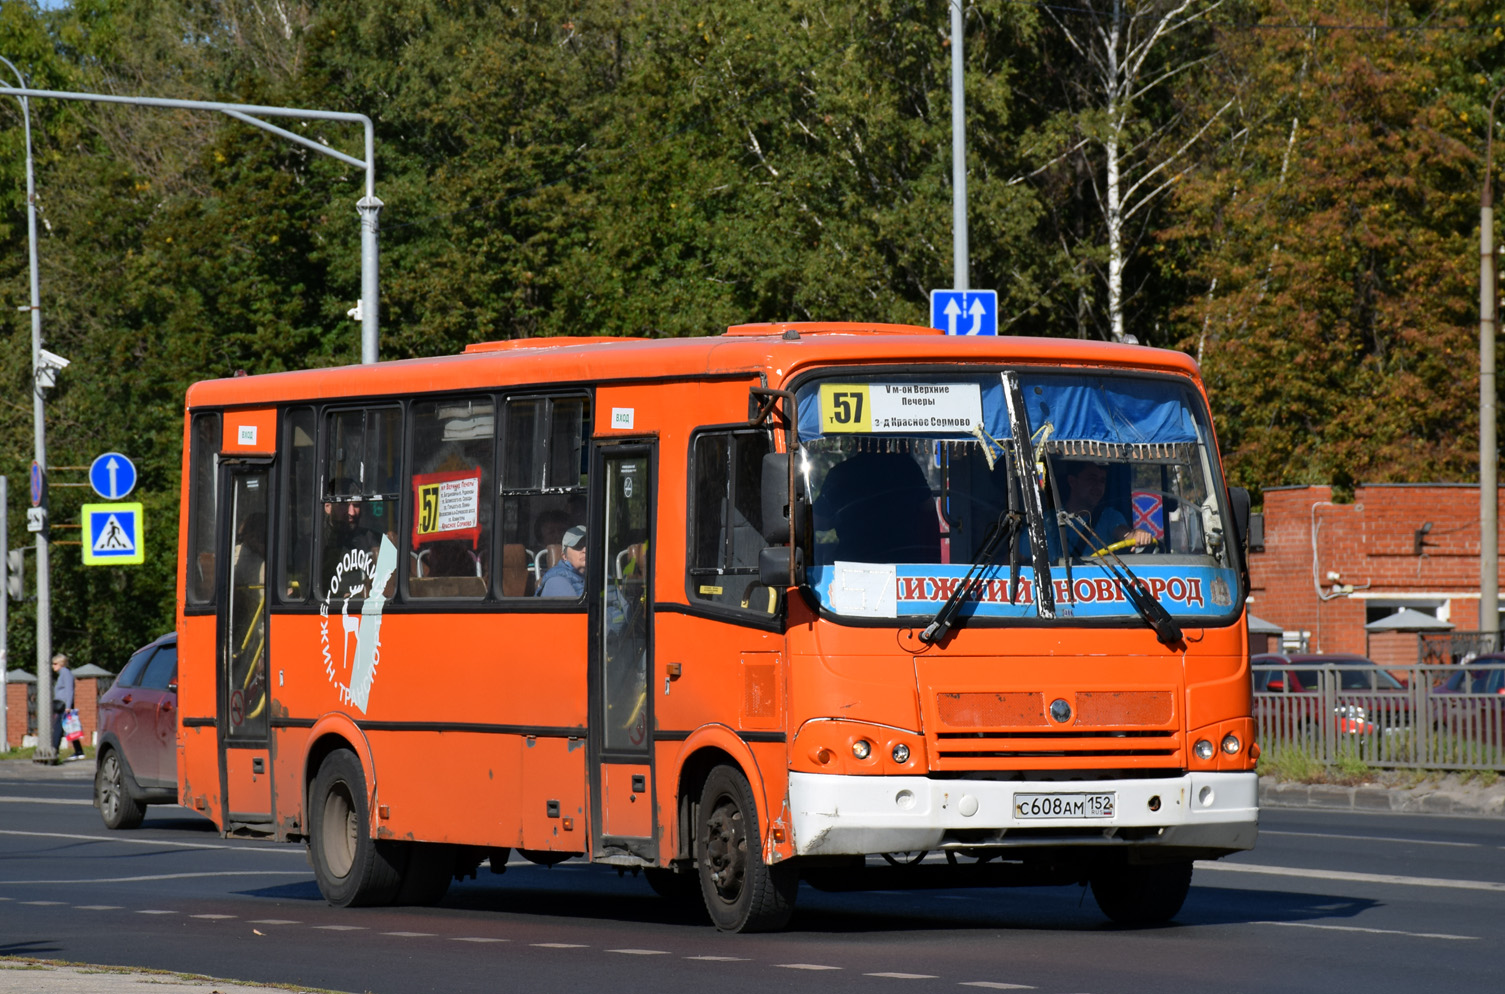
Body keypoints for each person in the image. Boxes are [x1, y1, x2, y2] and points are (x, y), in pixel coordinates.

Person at [1057, 461, 1154, 557]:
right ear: (1072, 481)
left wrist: (1136, 534)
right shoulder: (1051, 521)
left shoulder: (1109, 517)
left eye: (1102, 481)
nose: (1098, 486)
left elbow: (1125, 533)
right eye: (1092, 479)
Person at [51, 653, 85, 762]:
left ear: (61, 663)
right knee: (69, 728)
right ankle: (79, 751)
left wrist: (68, 706)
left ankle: (54, 750)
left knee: (58, 728)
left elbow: (69, 690)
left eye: (55, 663)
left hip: (64, 706)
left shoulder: (66, 673)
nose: (53, 666)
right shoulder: (62, 674)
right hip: (63, 705)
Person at [536, 525, 586, 597]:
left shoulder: (604, 577)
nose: (585, 550)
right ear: (564, 556)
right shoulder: (557, 581)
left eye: (589, 545)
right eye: (578, 546)